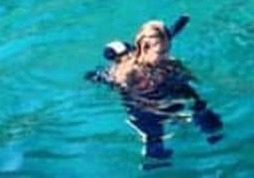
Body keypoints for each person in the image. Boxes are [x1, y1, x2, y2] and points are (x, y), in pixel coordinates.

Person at [86, 17, 223, 164]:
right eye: (161, 52)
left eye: (167, 50)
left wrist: (186, 74)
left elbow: (170, 35)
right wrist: (98, 78)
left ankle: (205, 120)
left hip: (161, 83)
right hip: (141, 98)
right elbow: (110, 80)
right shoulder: (126, 71)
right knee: (149, 121)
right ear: (144, 49)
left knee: (189, 92)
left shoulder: (163, 57)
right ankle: (153, 153)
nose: (166, 55)